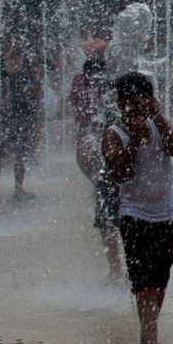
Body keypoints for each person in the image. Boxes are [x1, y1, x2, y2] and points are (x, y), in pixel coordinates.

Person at [102, 72, 173, 344]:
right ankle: (147, 343)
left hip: (168, 214)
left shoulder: (158, 124)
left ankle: (153, 335)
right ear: (122, 103)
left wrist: (158, 117)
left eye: (144, 100)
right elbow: (118, 174)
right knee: (143, 281)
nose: (138, 106)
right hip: (135, 214)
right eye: (133, 101)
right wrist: (135, 141)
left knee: (161, 278)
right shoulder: (114, 133)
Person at [72, 57, 122, 280]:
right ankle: (116, 269)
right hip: (109, 165)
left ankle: (117, 269)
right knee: (106, 219)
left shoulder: (111, 92)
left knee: (112, 218)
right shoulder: (93, 92)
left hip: (116, 164)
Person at [1, 38, 43, 201]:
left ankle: (18, 189)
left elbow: (38, 83)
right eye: (12, 41)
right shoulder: (3, 61)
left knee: (21, 151)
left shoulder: (28, 60)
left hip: (25, 111)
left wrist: (35, 90)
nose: (16, 44)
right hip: (8, 113)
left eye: (18, 40)